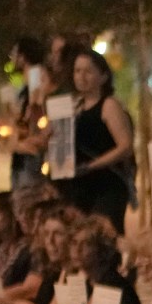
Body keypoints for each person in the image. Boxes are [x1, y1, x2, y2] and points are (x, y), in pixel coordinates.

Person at [58, 49, 135, 226]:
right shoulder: (73, 106)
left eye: (88, 71)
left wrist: (92, 165)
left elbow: (125, 146)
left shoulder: (109, 105)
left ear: (103, 77)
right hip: (79, 186)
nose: (81, 77)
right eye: (77, 71)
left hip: (106, 185)